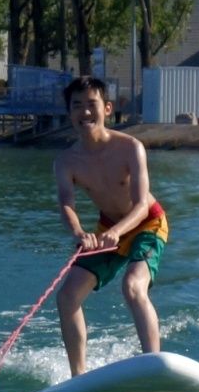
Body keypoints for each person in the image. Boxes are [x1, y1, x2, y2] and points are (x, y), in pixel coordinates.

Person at [53, 75, 167, 376]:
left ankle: (153, 367)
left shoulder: (130, 147)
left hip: (147, 223)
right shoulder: (66, 161)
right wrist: (79, 233)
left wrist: (116, 233)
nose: (84, 112)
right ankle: (78, 377)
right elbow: (67, 202)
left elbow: (141, 204)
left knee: (132, 286)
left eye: (91, 104)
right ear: (69, 114)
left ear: (107, 108)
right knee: (67, 297)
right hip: (107, 228)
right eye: (77, 106)